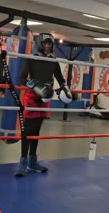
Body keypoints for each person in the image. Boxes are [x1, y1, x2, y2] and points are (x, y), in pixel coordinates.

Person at [15, 32, 73, 177]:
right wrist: (34, 85)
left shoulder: (53, 61)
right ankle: (23, 161)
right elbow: (21, 78)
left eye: (49, 44)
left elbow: (60, 78)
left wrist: (65, 88)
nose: (47, 46)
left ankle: (33, 161)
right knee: (27, 130)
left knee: (36, 130)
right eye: (45, 43)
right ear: (39, 44)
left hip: (46, 97)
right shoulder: (31, 59)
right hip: (32, 97)